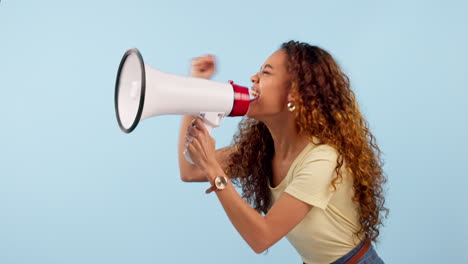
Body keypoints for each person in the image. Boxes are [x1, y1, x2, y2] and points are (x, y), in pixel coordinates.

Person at [178, 40, 387, 264]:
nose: (253, 79)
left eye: (266, 73)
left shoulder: (323, 159)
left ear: (294, 93)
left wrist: (212, 167)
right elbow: (189, 171)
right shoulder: (262, 151)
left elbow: (261, 237)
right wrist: (196, 85)